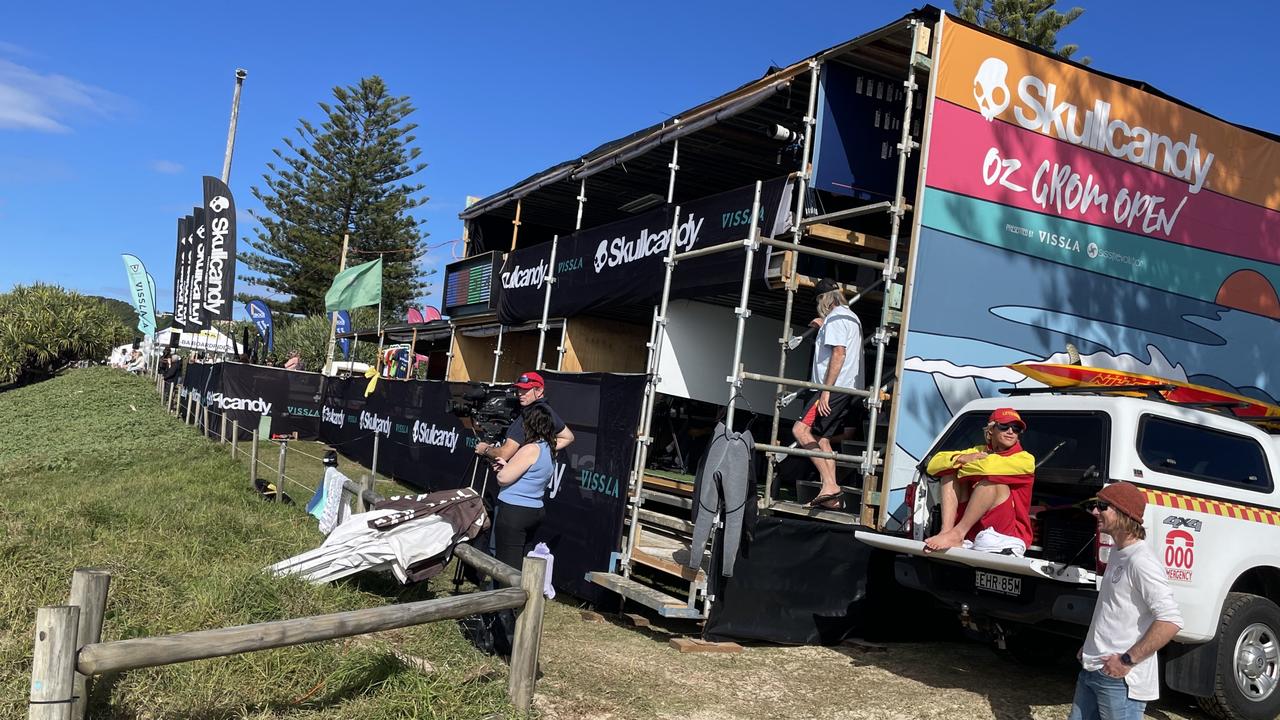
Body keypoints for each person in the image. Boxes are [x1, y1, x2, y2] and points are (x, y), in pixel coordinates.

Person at [1069, 482, 1182, 719]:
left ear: (1123, 512)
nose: (1094, 512)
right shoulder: (1118, 553)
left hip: (1119, 679)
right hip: (1093, 667)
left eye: (1102, 506)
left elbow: (1170, 620)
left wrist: (1127, 660)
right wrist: (1090, 645)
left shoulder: (1141, 560)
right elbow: (1115, 609)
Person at [792, 278, 864, 509]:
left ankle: (831, 486)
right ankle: (831, 495)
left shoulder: (835, 319)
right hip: (848, 387)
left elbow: (839, 354)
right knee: (822, 439)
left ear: (824, 301)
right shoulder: (850, 317)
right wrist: (824, 327)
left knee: (801, 430)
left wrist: (825, 391)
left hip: (833, 387)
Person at [923, 408, 1035, 554]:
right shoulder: (979, 450)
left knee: (992, 483)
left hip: (1007, 534)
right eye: (1004, 426)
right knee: (949, 475)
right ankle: (947, 532)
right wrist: (959, 459)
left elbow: (987, 468)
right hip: (974, 532)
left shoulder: (1025, 459)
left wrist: (960, 464)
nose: (1010, 431)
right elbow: (933, 465)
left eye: (1016, 428)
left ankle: (957, 534)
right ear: (990, 430)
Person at [474, 371, 574, 462]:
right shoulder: (547, 410)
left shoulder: (530, 414)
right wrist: (538, 451)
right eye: (519, 389)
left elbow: (504, 454)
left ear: (539, 391)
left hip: (522, 476)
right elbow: (568, 437)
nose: (520, 394)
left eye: (525, 390)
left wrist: (485, 449)